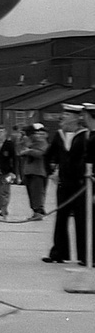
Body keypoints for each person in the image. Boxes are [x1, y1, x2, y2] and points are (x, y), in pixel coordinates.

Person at [45, 104, 91, 265]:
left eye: (66, 115)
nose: (62, 118)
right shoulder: (59, 135)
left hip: (81, 185)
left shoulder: (85, 136)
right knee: (61, 217)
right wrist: (50, 172)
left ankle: (85, 256)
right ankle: (59, 252)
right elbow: (49, 155)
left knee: (82, 219)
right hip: (64, 183)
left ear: (76, 118)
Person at [20, 123, 49, 221]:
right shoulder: (28, 141)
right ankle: (35, 211)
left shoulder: (41, 142)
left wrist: (28, 151)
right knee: (31, 193)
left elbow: (41, 153)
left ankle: (38, 212)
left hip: (37, 172)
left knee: (37, 193)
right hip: (29, 171)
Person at [0, 123, 18, 220]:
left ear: (5, 133)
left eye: (2, 132)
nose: (0, 134)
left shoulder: (9, 144)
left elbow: (14, 159)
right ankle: (2, 207)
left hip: (7, 171)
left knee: (5, 190)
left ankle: (4, 208)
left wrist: (14, 172)